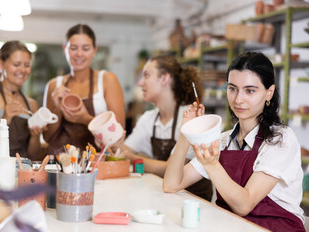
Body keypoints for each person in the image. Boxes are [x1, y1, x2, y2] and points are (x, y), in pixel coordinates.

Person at [163, 52, 305, 231]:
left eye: (250, 91)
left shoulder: (281, 139)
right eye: (232, 88)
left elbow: (244, 205)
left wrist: (212, 165)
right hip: (232, 226)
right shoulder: (223, 140)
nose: (238, 99)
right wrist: (186, 133)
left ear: (269, 92)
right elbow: (171, 184)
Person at [118, 55, 212, 201]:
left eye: (146, 75)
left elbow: (169, 169)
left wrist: (131, 158)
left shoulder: (190, 117)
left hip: (194, 202)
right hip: (166, 196)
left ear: (164, 79)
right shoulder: (149, 118)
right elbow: (123, 149)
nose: (140, 83)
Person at [43, 24, 125, 153]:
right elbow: (46, 137)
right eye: (73, 48)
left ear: (95, 50)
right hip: (59, 160)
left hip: (96, 161)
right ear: (65, 49)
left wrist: (85, 119)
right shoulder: (54, 85)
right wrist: (57, 108)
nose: (79, 54)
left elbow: (117, 136)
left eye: (86, 48)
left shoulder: (107, 80)